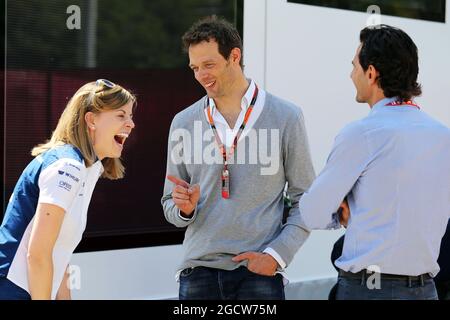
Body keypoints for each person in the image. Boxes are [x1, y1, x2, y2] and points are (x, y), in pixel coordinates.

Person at [161, 16, 315, 300]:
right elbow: (170, 204)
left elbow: (306, 198)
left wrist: (276, 256)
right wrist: (184, 209)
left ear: (235, 56)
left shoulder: (286, 117)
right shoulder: (183, 122)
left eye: (209, 65)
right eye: (195, 68)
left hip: (257, 273)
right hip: (198, 273)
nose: (200, 75)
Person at [298, 25, 450, 300]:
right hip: (426, 289)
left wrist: (343, 215)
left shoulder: (362, 134)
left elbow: (312, 212)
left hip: (369, 290)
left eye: (354, 65)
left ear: (371, 73)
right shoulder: (444, 137)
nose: (351, 73)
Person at [0, 79, 136, 300]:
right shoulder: (67, 165)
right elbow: (38, 254)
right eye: (121, 115)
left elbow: (57, 254)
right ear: (91, 120)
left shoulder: (86, 167)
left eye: (131, 116)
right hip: (12, 289)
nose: (131, 124)